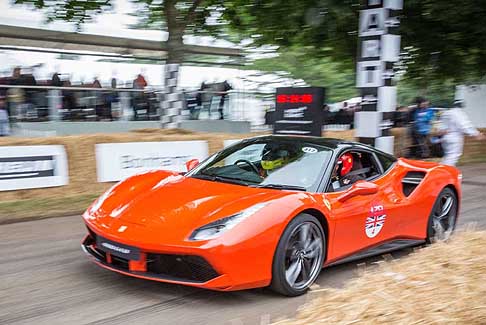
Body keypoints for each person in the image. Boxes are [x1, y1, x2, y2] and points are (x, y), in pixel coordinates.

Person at [439, 100, 485, 166]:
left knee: (448, 156)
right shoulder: (458, 113)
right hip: (455, 136)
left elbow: (440, 128)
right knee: (453, 157)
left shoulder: (446, 113)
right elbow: (464, 125)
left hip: (445, 137)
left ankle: (441, 170)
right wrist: (476, 134)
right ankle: (444, 173)